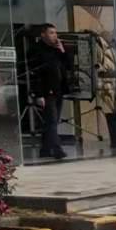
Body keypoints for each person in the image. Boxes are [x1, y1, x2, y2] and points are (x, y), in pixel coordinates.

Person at [25, 24, 70, 160]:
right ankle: (57, 149)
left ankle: (45, 149)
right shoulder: (36, 50)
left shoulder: (57, 49)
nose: (55, 35)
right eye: (51, 33)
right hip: (46, 90)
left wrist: (62, 51)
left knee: (53, 121)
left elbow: (68, 66)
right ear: (43, 34)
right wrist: (38, 94)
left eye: (55, 33)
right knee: (51, 120)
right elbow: (35, 74)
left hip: (58, 89)